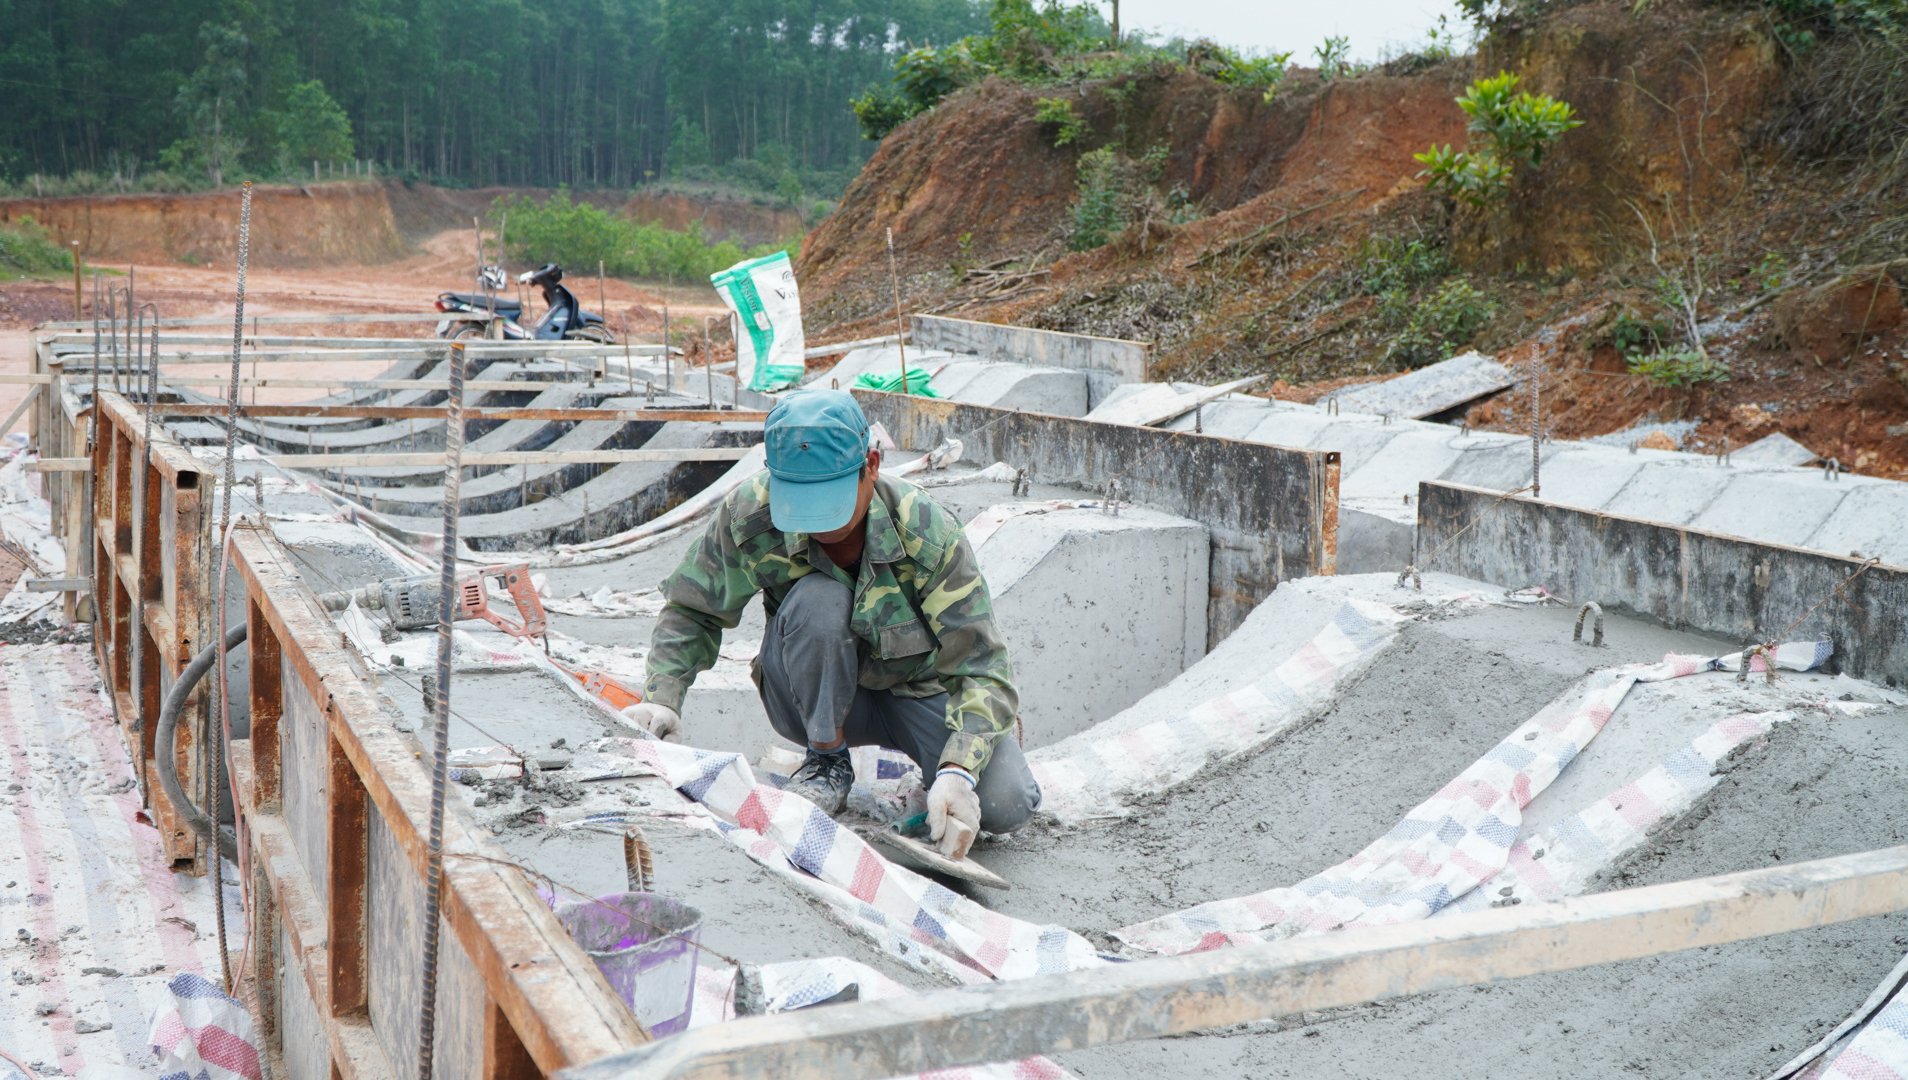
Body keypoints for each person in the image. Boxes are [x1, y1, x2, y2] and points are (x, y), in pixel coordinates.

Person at [621, 389, 1039, 858]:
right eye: (800, 499)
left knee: (1007, 802)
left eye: (829, 498)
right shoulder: (751, 513)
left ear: (872, 466)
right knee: (821, 598)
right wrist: (663, 698)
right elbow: (693, 609)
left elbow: (981, 667)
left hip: (918, 695)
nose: (817, 523)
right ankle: (826, 763)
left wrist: (959, 770)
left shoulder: (927, 532)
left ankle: (936, 770)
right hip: (810, 699)